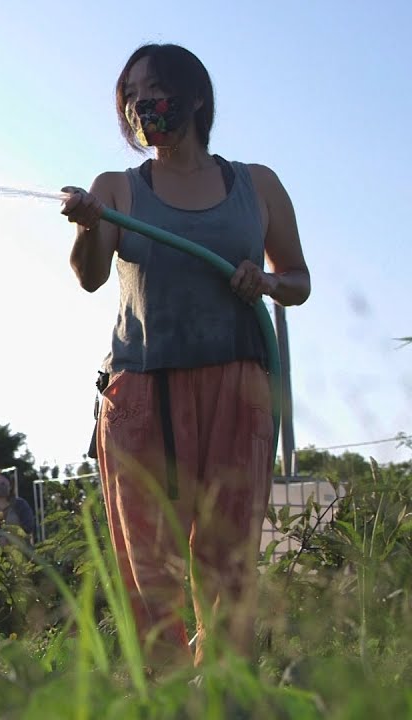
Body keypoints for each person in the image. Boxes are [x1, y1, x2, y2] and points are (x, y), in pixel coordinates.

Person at [60, 43, 310, 670]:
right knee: (151, 566)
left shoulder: (256, 185)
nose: (142, 104)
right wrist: (88, 226)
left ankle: (225, 691)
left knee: (228, 561)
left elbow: (298, 280)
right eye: (131, 96)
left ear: (195, 97)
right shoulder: (116, 188)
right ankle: (165, 694)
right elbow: (90, 278)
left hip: (239, 388)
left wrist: (266, 282)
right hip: (145, 393)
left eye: (154, 90)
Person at [0, 471, 36, 539]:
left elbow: (28, 527)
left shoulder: (20, 505)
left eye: (3, 484)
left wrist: (9, 536)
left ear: (10, 486)